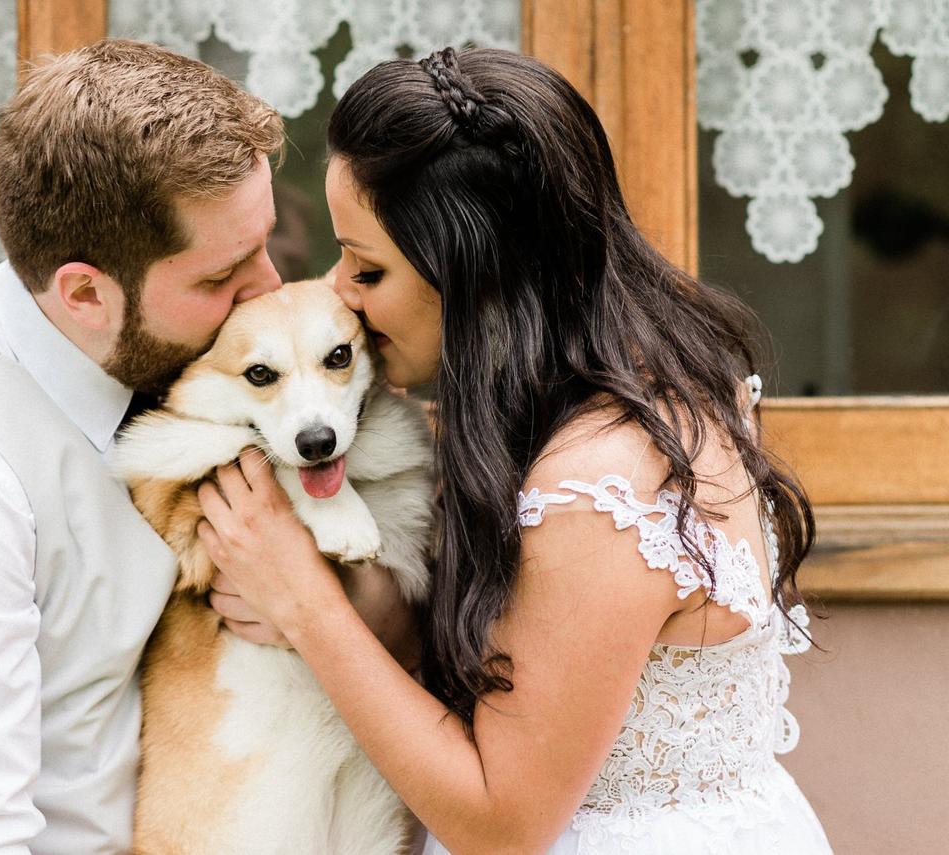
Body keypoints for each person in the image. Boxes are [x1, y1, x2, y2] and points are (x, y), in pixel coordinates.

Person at [197, 47, 834, 854]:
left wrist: (303, 600)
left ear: (475, 278)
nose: (336, 290)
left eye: (366, 266)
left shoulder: (604, 483)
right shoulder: (602, 391)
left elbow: (502, 822)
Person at [0, 40, 414, 854]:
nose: (268, 289)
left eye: (268, 245)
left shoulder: (192, 371)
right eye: (222, 276)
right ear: (86, 293)